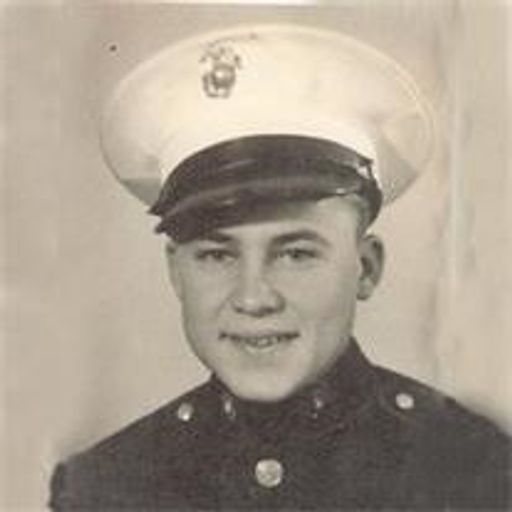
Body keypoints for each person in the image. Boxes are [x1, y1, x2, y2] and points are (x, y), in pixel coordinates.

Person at [49, 24, 510, 510]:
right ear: (175, 273)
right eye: (217, 255)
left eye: (296, 254)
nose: (253, 298)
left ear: (367, 268)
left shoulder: (475, 470)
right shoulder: (106, 487)